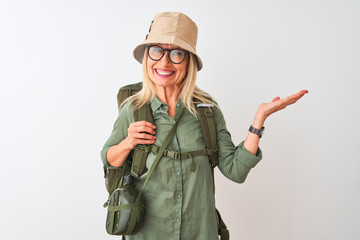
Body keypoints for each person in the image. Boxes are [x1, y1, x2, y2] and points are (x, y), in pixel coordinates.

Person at [101, 12, 308, 240]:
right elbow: (109, 159)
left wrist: (259, 120)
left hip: (199, 231)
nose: (164, 62)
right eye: (157, 50)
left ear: (189, 61)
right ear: (147, 56)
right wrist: (128, 142)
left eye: (177, 53)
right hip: (147, 233)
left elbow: (235, 171)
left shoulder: (207, 111)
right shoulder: (133, 108)